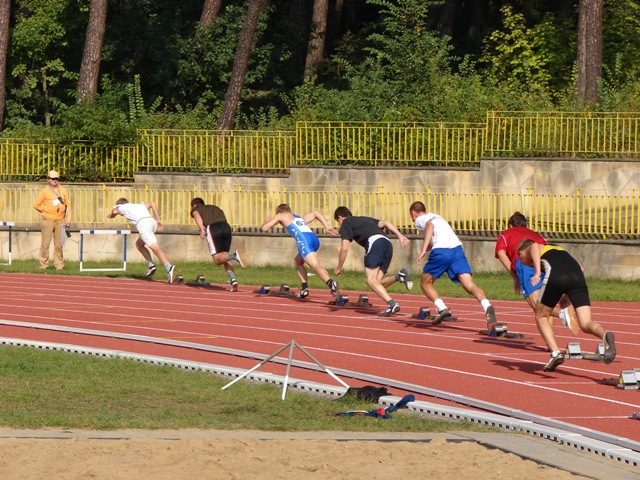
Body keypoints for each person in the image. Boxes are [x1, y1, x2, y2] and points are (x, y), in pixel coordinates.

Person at [517, 238, 616, 372]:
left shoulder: (535, 247)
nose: (521, 260)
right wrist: (568, 295)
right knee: (586, 323)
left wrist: (537, 273)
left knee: (541, 315)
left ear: (522, 250)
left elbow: (534, 245)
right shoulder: (558, 249)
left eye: (520, 255)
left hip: (557, 275)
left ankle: (555, 353)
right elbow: (581, 268)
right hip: (578, 277)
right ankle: (605, 335)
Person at [409, 201, 497, 328]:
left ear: (413, 214)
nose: (412, 219)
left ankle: (442, 308)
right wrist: (427, 247)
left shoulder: (420, 220)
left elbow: (429, 226)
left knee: (425, 283)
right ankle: (487, 306)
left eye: (411, 217)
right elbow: (437, 237)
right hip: (457, 250)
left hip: (441, 251)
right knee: (469, 285)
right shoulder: (438, 217)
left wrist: (422, 250)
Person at [495, 211, 577, 334]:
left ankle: (562, 313)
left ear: (510, 226)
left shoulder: (505, 234)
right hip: (545, 263)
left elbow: (501, 254)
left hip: (525, 262)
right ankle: (550, 342)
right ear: (525, 225)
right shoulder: (534, 234)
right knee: (546, 303)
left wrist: (515, 276)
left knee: (537, 306)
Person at [333, 206, 413, 317]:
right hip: (387, 244)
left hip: (375, 243)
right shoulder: (365, 219)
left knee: (370, 280)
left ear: (340, 217)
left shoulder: (346, 223)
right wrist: (400, 236)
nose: (339, 225)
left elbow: (344, 248)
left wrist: (339, 267)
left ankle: (392, 304)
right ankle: (399, 276)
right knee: (377, 283)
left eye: (338, 222)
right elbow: (385, 223)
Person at [261, 203, 339, 299]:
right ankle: (304, 289)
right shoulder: (298, 218)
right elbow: (315, 213)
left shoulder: (280, 215)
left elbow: (264, 228)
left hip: (305, 241)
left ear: (279, 212)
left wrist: (266, 222)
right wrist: (326, 226)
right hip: (314, 240)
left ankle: (332, 285)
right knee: (297, 262)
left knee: (315, 265)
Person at [108, 198, 177, 283]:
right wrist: (158, 219)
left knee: (154, 247)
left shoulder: (121, 207)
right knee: (139, 245)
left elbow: (114, 211)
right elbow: (152, 203)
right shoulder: (138, 205)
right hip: (152, 223)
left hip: (143, 224)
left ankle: (169, 267)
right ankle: (151, 265)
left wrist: (111, 215)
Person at [190, 198, 244, 291]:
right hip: (226, 227)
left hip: (214, 228)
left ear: (194, 205)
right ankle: (233, 280)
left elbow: (196, 215)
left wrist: (202, 229)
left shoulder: (196, 209)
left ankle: (234, 255)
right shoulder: (214, 208)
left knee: (217, 260)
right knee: (224, 256)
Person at [34, 170, 72, 270]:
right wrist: (45, 210)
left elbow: (68, 205)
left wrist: (68, 219)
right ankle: (43, 265)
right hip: (48, 220)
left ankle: (59, 265)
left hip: (60, 220)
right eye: (53, 178)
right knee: (45, 243)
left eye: (57, 179)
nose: (55, 180)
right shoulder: (44, 191)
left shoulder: (63, 190)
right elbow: (36, 205)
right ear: (48, 179)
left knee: (59, 244)